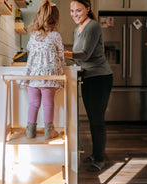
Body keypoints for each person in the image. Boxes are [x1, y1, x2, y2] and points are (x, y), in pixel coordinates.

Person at [64, 0, 113, 172]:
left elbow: (84, 54)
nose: (74, 14)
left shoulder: (93, 26)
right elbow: (79, 58)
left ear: (87, 9)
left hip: (100, 78)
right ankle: (95, 154)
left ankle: (99, 160)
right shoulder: (77, 30)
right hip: (88, 78)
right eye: (72, 11)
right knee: (92, 119)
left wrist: (61, 52)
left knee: (97, 120)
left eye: (78, 10)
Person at [25, 0, 64, 139]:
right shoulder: (56, 36)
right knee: (48, 104)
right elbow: (61, 56)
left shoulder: (34, 35)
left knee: (33, 103)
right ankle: (49, 131)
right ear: (56, 20)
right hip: (49, 76)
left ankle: (30, 130)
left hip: (33, 76)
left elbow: (29, 50)